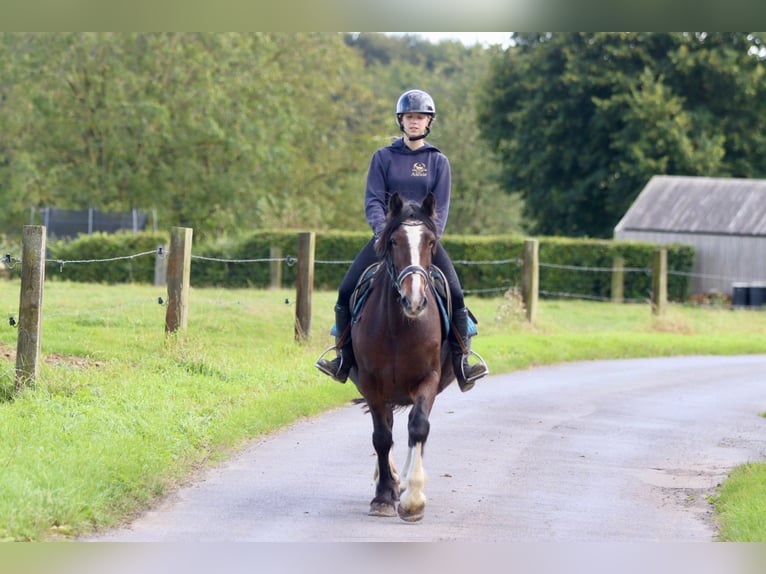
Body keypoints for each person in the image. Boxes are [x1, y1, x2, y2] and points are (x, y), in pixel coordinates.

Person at [315, 88, 488, 392]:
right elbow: (372, 200)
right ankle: (341, 357)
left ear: (428, 121)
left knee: (457, 296)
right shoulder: (383, 157)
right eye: (409, 117)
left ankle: (463, 362)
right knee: (345, 290)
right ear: (401, 120)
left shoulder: (438, 161)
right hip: (389, 239)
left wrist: (430, 237)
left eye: (420, 117)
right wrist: (383, 232)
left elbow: (441, 207)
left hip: (423, 241)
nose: (414, 122)